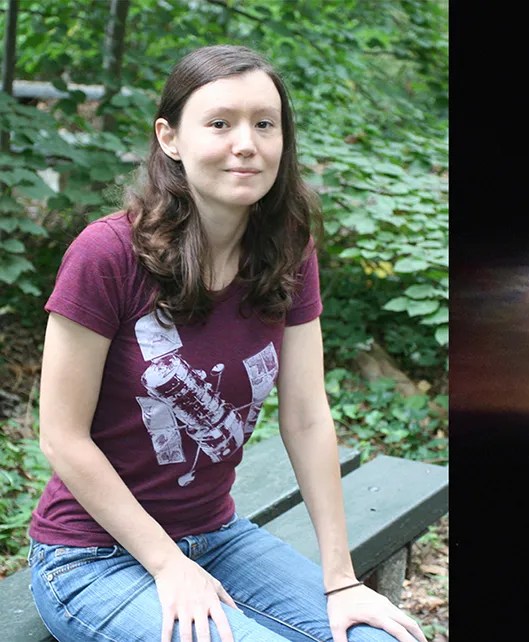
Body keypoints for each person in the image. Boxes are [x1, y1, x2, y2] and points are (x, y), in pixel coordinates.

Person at [25, 44, 428, 642]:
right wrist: (168, 565)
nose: (247, 143)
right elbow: (62, 437)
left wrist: (341, 580)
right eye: (220, 123)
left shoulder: (287, 248)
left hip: (218, 538)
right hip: (94, 558)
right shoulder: (107, 254)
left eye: (265, 124)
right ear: (171, 138)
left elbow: (308, 415)